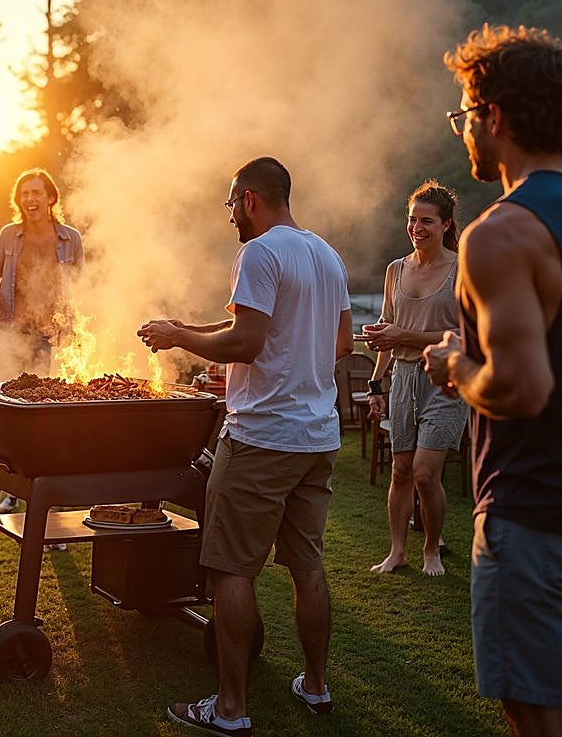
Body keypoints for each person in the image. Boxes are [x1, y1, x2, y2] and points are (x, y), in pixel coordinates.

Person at [139, 156, 352, 736]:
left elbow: (250, 342)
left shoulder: (258, 252)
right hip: (316, 435)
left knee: (231, 570)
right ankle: (315, 685)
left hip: (261, 438)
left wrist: (181, 337)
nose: (229, 213)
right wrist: (283, 366)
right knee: (307, 567)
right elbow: (339, 342)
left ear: (251, 198)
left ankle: (230, 709)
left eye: (232, 202)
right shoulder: (325, 254)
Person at [424, 24, 562, 737]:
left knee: (532, 710)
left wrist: (456, 365)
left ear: (495, 118)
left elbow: (522, 388)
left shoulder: (500, 232)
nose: (465, 132)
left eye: (465, 116)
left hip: (531, 511)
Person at [364, 181, 467, 576]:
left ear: (445, 225)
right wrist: (376, 385)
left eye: (426, 220)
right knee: (402, 471)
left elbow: (464, 337)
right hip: (402, 379)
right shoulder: (395, 270)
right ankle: (397, 551)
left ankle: (431, 550)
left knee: (426, 473)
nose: (416, 227)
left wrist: (400, 335)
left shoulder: (461, 268)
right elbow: (388, 332)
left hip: (445, 380)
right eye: (412, 220)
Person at [0, 168, 83, 516]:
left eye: (36, 193)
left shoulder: (70, 239)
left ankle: (46, 489)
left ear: (51, 198)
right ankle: (13, 487)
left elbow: (81, 285)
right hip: (12, 330)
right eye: (24, 194)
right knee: (11, 412)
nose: (30, 199)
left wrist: (73, 327)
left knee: (47, 415)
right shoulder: (10, 235)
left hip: (52, 334)